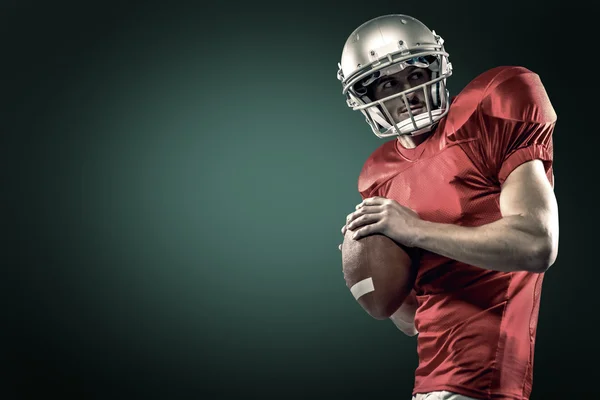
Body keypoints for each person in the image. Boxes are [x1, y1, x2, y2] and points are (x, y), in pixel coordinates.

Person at [336, 14, 559, 400]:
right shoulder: (377, 174)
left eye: (416, 75)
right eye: (388, 83)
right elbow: (411, 320)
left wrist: (414, 230)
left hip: (484, 379)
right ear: (365, 99)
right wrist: (369, 268)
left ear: (439, 69)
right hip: (429, 381)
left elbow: (537, 243)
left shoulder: (490, 108)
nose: (407, 93)